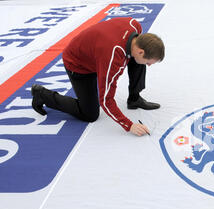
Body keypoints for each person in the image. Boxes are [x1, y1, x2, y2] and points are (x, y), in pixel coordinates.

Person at [30, 17, 165, 136]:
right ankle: (42, 95)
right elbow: (106, 100)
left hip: (96, 52)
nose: (149, 66)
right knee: (90, 114)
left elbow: (130, 50)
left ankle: (134, 99)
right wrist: (129, 125)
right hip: (78, 64)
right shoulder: (113, 58)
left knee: (138, 62)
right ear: (141, 51)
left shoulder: (134, 25)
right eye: (149, 62)